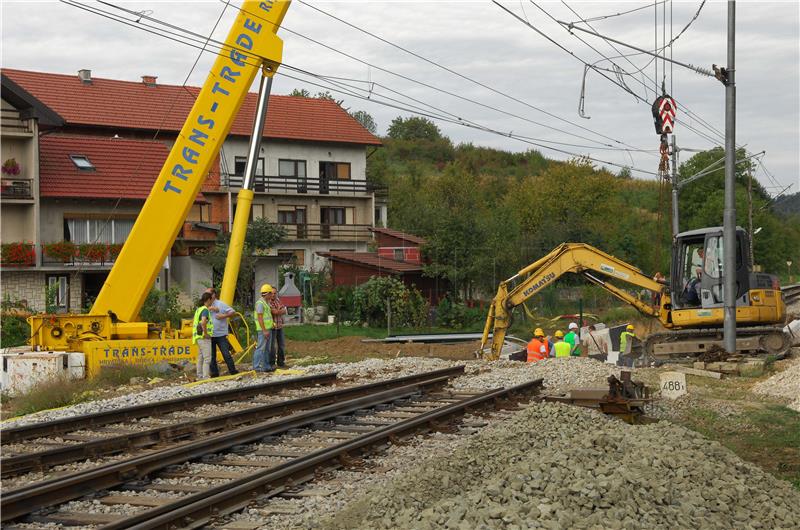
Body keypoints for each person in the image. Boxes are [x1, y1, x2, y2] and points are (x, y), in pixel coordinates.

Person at [207, 288, 238, 377]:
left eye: (208, 294)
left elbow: (232, 312)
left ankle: (232, 370)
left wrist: (224, 316)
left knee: (226, 353)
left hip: (220, 334)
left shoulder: (221, 304)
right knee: (212, 356)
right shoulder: (205, 305)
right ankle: (214, 373)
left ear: (213, 295)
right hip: (210, 335)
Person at [192, 292, 214, 380]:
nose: (212, 301)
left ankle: (200, 375)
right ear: (208, 300)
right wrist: (206, 333)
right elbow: (204, 321)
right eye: (211, 299)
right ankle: (205, 376)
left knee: (200, 357)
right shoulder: (205, 310)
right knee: (207, 358)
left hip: (198, 337)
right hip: (204, 338)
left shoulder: (199, 309)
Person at [253, 284, 275, 373]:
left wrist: (271, 324)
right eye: (271, 293)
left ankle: (266, 366)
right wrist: (264, 330)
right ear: (267, 293)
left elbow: (267, 316)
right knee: (261, 348)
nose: (272, 295)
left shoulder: (265, 303)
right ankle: (257, 367)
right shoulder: (260, 304)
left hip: (267, 329)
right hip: (263, 330)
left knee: (266, 349)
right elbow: (260, 318)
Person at [269, 286, 288, 368]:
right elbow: (275, 312)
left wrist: (279, 310)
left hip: (280, 326)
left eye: (275, 293)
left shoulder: (278, 300)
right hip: (272, 327)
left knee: (281, 345)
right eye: (272, 293)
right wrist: (280, 310)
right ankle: (272, 363)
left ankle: (281, 362)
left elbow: (285, 310)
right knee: (272, 346)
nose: (273, 295)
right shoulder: (268, 302)